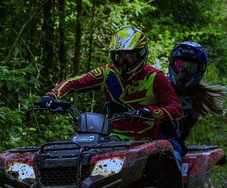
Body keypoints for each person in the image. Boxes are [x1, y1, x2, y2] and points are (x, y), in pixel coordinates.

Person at [40, 25, 183, 142]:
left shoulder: (154, 77)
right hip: (111, 137)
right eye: (119, 55)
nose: (124, 61)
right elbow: (73, 82)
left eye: (129, 55)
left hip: (145, 140)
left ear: (141, 54)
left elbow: (176, 108)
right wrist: (51, 96)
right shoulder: (107, 73)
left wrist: (150, 112)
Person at [160, 41, 227, 157]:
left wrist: (179, 142)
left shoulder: (196, 96)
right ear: (172, 63)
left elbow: (184, 128)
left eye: (190, 68)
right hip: (146, 139)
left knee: (172, 160)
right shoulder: (158, 85)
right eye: (180, 65)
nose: (183, 72)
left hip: (171, 145)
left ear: (199, 70)